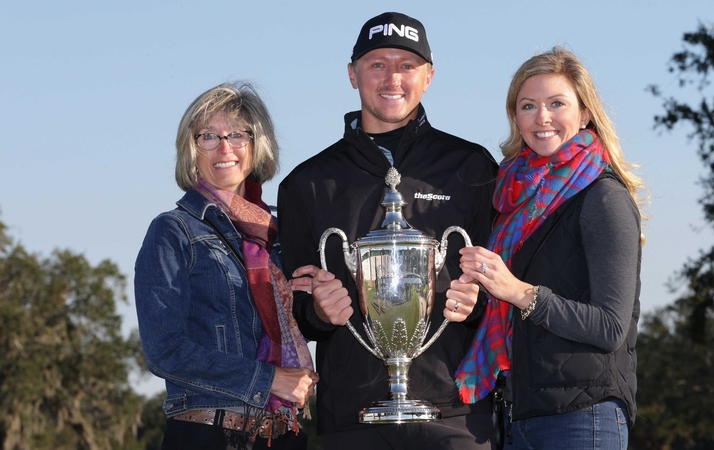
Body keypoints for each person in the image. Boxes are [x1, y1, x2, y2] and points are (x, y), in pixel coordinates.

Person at [277, 12, 499, 450]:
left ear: (429, 77)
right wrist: (320, 311)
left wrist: (479, 302)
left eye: (406, 65)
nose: (391, 78)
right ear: (352, 74)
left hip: (458, 412)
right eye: (377, 64)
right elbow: (296, 314)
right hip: (353, 416)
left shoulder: (472, 167)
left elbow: (504, 286)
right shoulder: (307, 183)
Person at [454, 47, 645, 449]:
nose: (542, 117)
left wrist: (517, 291)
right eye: (528, 106)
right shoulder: (509, 200)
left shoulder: (603, 198)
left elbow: (610, 327)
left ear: (585, 113)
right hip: (519, 413)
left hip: (584, 417)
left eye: (557, 103)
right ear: (516, 118)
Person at [134, 82, 319, 450]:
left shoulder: (279, 234)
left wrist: (319, 303)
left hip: (283, 434)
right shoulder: (173, 231)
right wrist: (268, 380)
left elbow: (303, 324)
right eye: (209, 136)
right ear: (192, 148)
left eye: (237, 134)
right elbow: (164, 350)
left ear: (256, 144)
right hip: (208, 434)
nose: (224, 148)